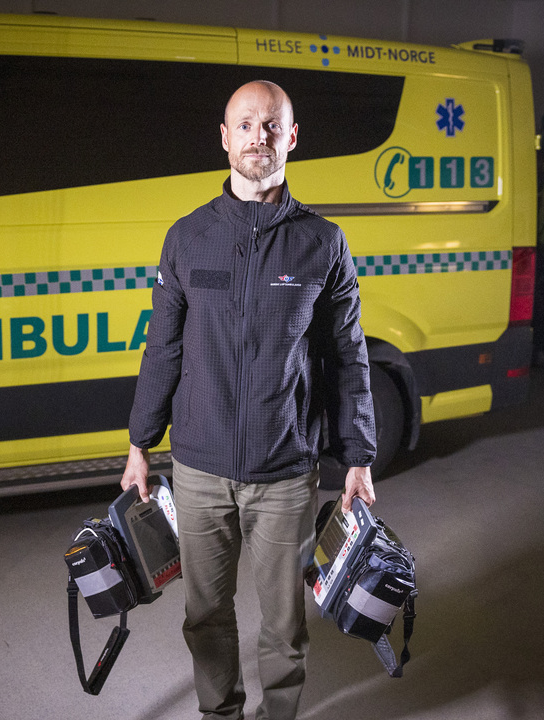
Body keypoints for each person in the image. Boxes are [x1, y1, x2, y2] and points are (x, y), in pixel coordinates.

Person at [121, 80, 377, 720]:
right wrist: (139, 444)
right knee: (205, 613)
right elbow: (163, 349)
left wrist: (359, 456)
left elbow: (348, 355)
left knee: (284, 624)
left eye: (271, 125)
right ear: (225, 138)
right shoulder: (187, 238)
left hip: (286, 472)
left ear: (291, 138)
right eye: (245, 124)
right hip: (200, 467)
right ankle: (221, 713)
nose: (258, 137)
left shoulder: (323, 243)